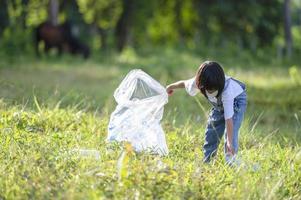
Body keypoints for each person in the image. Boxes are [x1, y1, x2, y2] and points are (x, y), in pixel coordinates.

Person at [166, 61, 247, 164]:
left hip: (237, 100)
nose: (211, 92)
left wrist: (230, 143)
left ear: (220, 84)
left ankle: (231, 159)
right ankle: (208, 161)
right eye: (208, 90)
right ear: (201, 86)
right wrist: (170, 87)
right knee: (212, 129)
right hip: (218, 105)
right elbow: (184, 83)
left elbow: (229, 118)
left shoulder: (227, 91)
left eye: (214, 90)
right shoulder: (199, 83)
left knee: (231, 133)